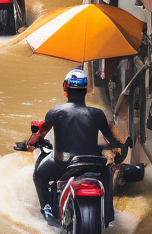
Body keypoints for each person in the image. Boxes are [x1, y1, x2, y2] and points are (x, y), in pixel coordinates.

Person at [24, 69, 121, 220]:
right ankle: (108, 214)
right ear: (86, 91)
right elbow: (111, 139)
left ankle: (47, 209)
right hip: (93, 164)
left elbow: (39, 135)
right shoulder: (97, 114)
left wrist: (29, 142)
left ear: (65, 89)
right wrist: (117, 147)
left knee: (39, 175)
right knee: (107, 171)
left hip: (63, 164)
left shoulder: (55, 112)